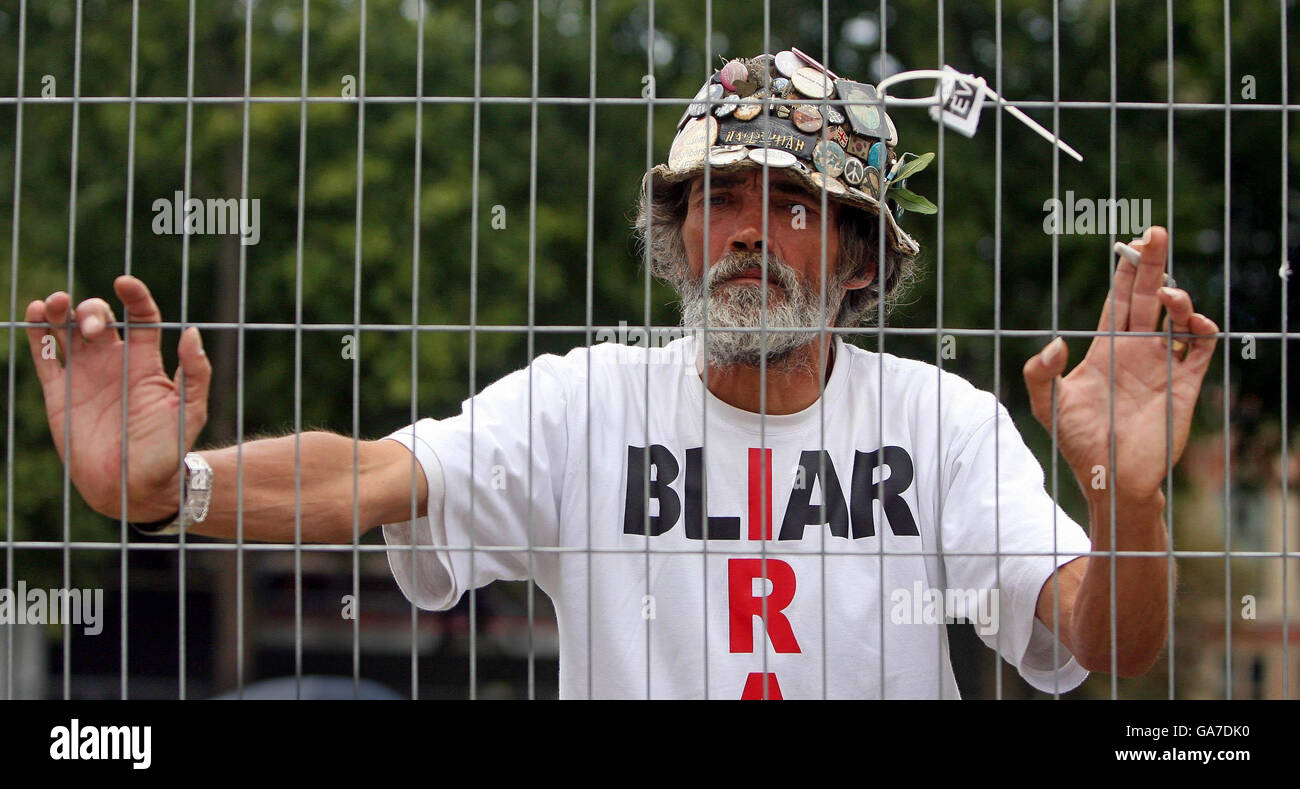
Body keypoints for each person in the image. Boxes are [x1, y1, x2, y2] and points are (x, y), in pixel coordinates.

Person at [25, 49, 1219, 699]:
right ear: (680, 237)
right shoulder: (585, 401)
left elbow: (1105, 643)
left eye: (795, 204)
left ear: (858, 258)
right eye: (720, 199)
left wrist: (1127, 494)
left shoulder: (941, 423)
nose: (749, 231)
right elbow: (370, 478)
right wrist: (164, 490)